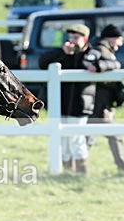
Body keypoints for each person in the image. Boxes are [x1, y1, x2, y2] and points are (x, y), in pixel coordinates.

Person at [38, 23, 96, 174]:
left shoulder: (92, 53)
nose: (72, 41)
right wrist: (61, 52)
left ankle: (82, 173)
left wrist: (94, 65)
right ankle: (67, 172)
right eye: (70, 37)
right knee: (63, 142)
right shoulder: (63, 53)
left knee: (77, 140)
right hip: (61, 104)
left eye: (76, 38)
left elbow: (99, 63)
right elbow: (42, 62)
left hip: (80, 105)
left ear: (85, 39)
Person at [84, 24, 124, 176]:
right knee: (111, 137)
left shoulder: (102, 49)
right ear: (112, 38)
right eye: (119, 40)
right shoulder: (101, 50)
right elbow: (92, 65)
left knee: (90, 137)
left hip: (99, 102)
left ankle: (77, 168)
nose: (120, 44)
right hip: (100, 103)